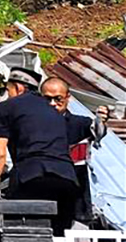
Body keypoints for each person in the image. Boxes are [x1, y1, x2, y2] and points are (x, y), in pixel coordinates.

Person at [0, 67, 79, 236]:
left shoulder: (6, 108)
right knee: (58, 235)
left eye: (7, 89)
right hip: (67, 179)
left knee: (21, 233)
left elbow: (0, 153)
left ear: (18, 88)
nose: (6, 94)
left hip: (30, 177)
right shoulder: (54, 110)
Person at [40, 76, 109, 225]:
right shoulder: (32, 124)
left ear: (68, 97)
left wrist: (100, 121)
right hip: (42, 192)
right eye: (47, 99)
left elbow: (98, 132)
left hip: (75, 195)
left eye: (58, 99)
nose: (53, 104)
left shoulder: (81, 124)